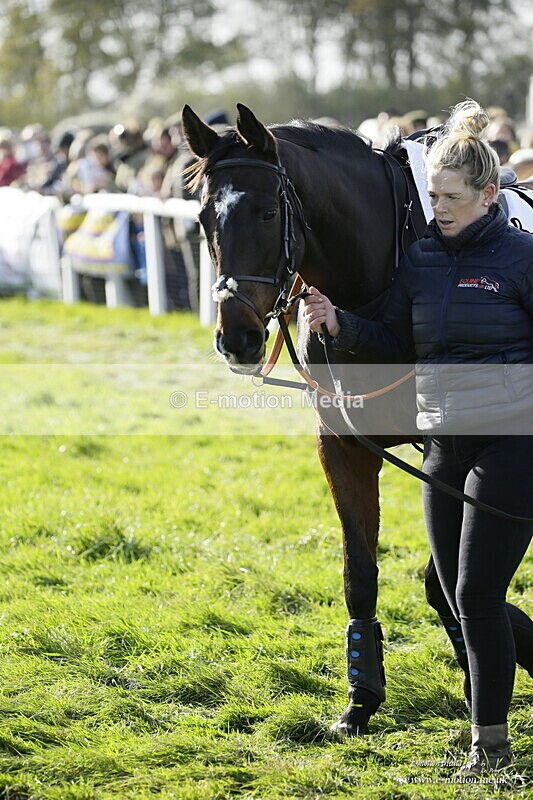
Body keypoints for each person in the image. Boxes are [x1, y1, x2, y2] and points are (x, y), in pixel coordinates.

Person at [303, 99, 533, 776]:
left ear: (488, 195)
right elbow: (391, 340)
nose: (440, 208)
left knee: (475, 597)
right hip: (443, 447)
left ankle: (489, 747)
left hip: (510, 444)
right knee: (452, 593)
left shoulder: (522, 258)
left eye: (452, 197)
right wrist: (338, 323)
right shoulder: (422, 260)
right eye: (433, 196)